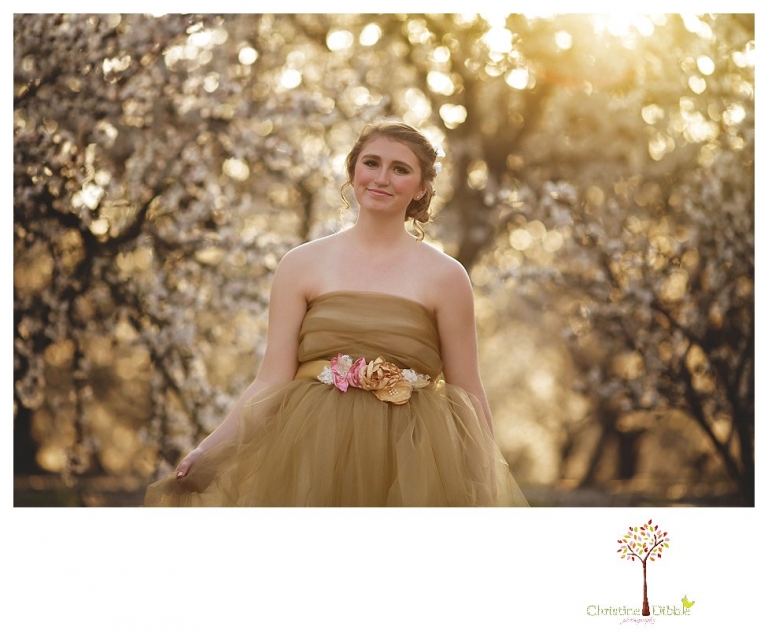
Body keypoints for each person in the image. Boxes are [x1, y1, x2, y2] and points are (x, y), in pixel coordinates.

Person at [144, 120, 528, 506]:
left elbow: (467, 391)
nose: (381, 178)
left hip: (410, 458)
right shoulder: (301, 265)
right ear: (353, 171)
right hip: (310, 450)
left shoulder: (447, 276)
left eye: (400, 169)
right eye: (371, 163)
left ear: (422, 188)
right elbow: (271, 380)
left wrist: (485, 485)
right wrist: (208, 451)